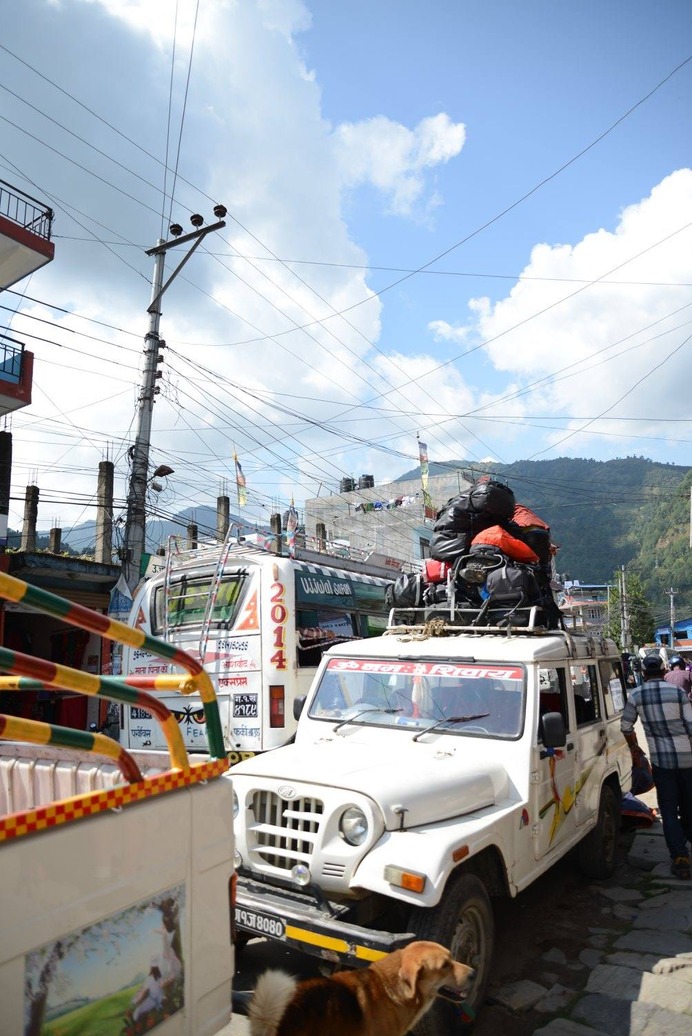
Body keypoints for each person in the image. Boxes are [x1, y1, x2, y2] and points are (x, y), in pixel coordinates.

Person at [621, 653, 692, 880]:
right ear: (663, 672)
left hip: (662, 764)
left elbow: (625, 726)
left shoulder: (636, 695)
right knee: (689, 806)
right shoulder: (678, 692)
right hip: (688, 760)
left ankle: (680, 858)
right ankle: (684, 842)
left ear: (643, 674)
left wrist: (634, 748)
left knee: (669, 810)